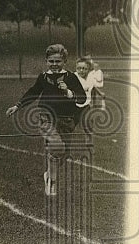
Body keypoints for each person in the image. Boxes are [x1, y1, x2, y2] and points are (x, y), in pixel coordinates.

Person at [6, 44, 88, 197]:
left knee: (62, 154)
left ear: (64, 61)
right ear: (46, 61)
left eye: (58, 61)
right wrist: (17, 106)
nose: (54, 65)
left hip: (67, 119)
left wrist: (68, 92)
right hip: (46, 116)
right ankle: (52, 183)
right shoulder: (43, 77)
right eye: (51, 61)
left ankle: (48, 176)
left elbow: (82, 97)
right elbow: (33, 92)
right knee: (57, 147)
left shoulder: (71, 77)